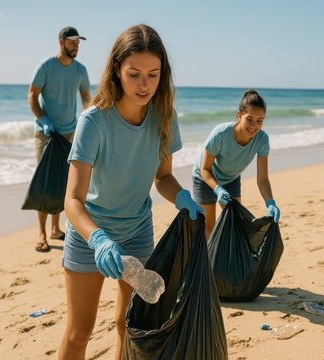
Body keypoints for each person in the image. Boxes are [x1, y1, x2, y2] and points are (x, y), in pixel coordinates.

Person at [57, 24, 202, 360]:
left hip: (137, 232)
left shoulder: (165, 116)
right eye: (134, 73)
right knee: (80, 332)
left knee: (129, 324)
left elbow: (163, 176)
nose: (144, 85)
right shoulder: (94, 121)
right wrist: (99, 240)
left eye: (153, 75)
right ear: (117, 70)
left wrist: (181, 197)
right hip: (90, 236)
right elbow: (72, 200)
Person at [28, 26, 91, 252]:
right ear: (62, 41)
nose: (76, 46)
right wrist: (43, 119)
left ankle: (56, 229)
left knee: (63, 183)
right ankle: (42, 234)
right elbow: (32, 95)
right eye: (73, 42)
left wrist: (89, 123)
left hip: (69, 133)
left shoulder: (80, 70)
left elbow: (86, 100)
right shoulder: (47, 66)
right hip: (46, 132)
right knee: (45, 182)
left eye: (78, 43)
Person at [192, 89, 280, 238]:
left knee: (235, 225)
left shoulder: (262, 140)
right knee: (208, 228)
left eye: (260, 121)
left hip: (231, 179)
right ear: (239, 116)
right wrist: (218, 189)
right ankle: (208, 261)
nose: (254, 126)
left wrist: (270, 202)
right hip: (205, 179)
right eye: (250, 119)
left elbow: (262, 179)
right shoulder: (221, 134)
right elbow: (205, 169)